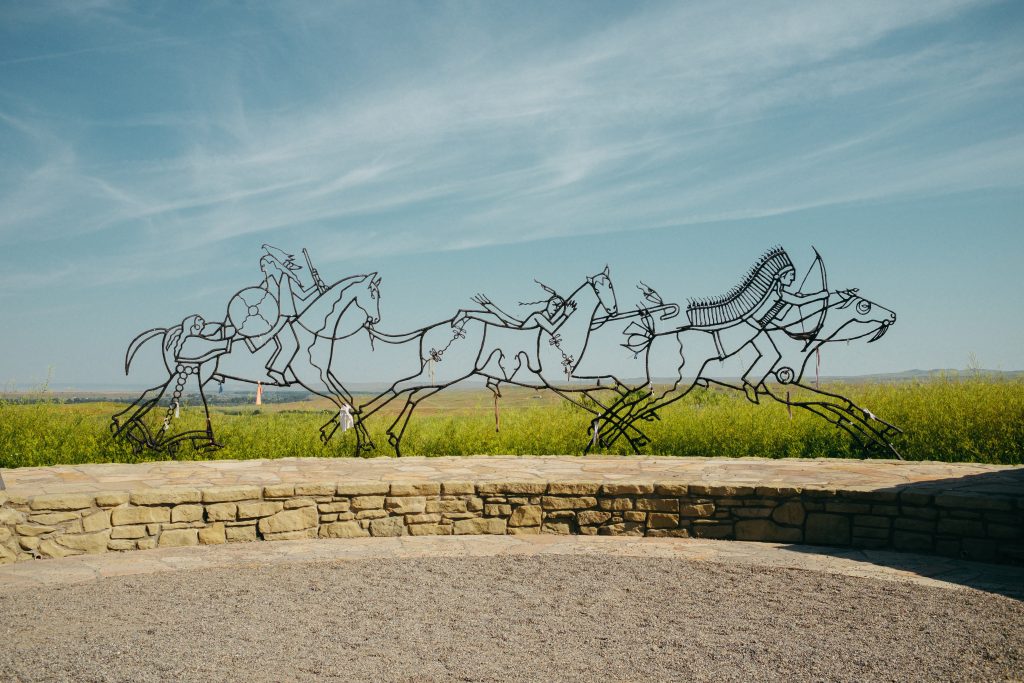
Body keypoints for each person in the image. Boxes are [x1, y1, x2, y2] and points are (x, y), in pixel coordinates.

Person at [741, 263, 828, 403]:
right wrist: (822, 295)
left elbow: (779, 316)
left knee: (771, 354)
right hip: (753, 326)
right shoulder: (776, 292)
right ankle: (750, 385)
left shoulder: (779, 293)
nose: (792, 280)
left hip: (757, 326)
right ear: (782, 276)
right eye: (791, 276)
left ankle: (752, 383)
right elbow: (801, 301)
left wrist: (790, 303)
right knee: (771, 354)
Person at [245, 247, 319, 385]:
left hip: (284, 317)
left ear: (272, 264)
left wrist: (316, 285)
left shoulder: (286, 279)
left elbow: (303, 296)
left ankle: (276, 370)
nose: (262, 269)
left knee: (290, 345)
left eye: (264, 265)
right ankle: (275, 369)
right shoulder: (267, 283)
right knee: (289, 345)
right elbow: (258, 299)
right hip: (278, 318)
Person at [454, 282, 576, 338]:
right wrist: (566, 313)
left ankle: (467, 314)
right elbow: (552, 329)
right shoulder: (538, 316)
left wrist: (493, 308)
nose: (556, 308)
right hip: (516, 334)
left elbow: (513, 322)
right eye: (554, 304)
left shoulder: (543, 318)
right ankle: (466, 313)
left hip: (516, 330)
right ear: (548, 303)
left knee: (498, 318)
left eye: (559, 307)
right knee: (498, 319)